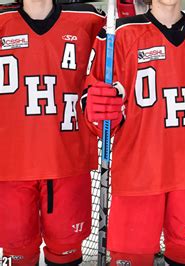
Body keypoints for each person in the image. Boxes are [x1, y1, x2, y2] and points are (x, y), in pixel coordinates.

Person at [83, 0, 185, 265]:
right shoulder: (118, 35)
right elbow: (98, 116)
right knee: (130, 258)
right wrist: (99, 111)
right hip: (138, 173)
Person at [0, 0, 104, 265]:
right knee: (18, 249)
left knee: (67, 250)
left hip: (66, 161)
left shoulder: (89, 20)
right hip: (9, 167)